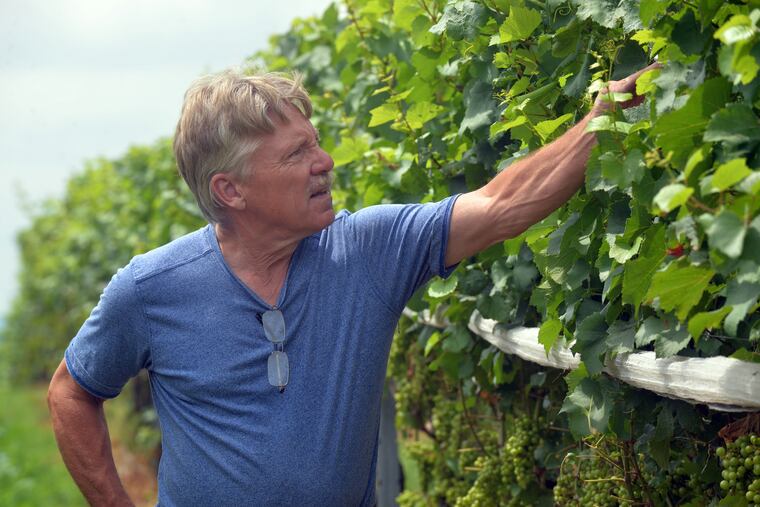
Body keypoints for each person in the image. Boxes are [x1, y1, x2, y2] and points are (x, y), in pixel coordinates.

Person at [47, 63, 658, 506]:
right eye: (295, 155)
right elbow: (71, 393)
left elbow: (504, 204)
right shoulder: (152, 289)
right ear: (230, 191)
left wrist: (601, 121)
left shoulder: (369, 249)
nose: (325, 162)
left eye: (316, 143)